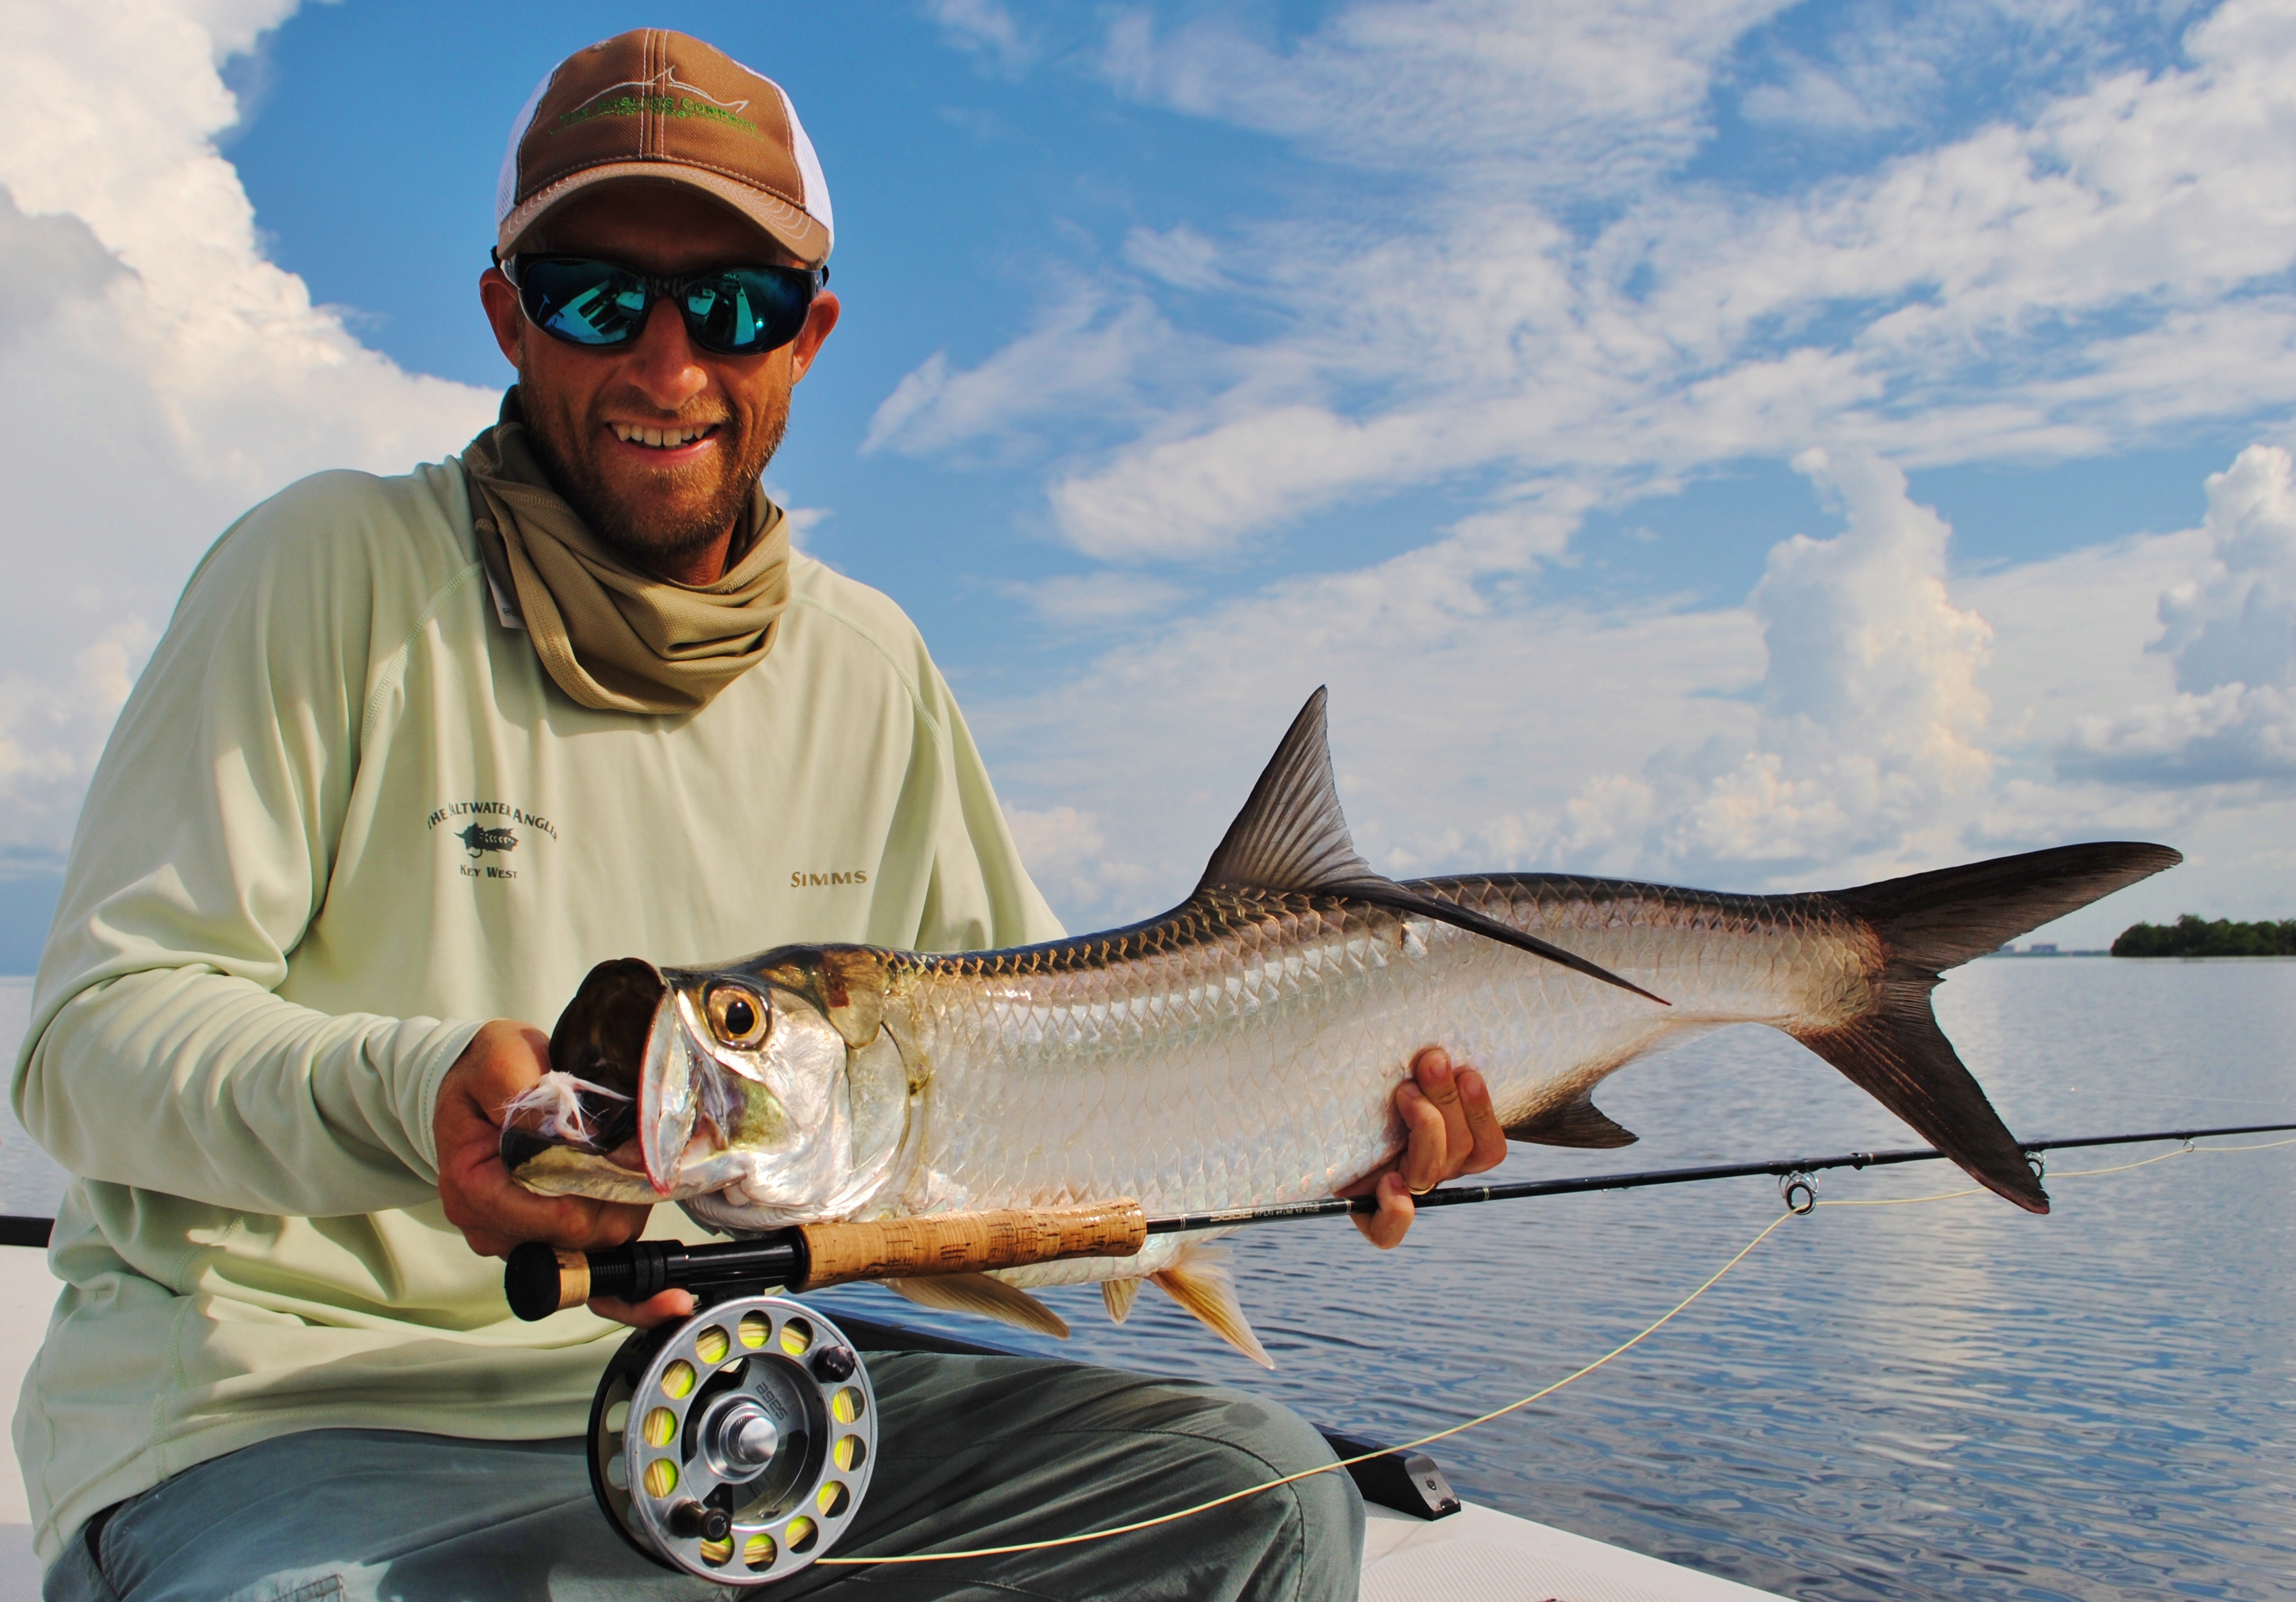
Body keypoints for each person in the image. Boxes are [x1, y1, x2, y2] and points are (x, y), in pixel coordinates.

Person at [12, 30, 1506, 1602]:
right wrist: (409, 1095)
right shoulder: (322, 568)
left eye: (734, 305)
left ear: (809, 337)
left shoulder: (874, 666)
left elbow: (1018, 1147)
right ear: (507, 316)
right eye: (599, 295)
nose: (669, 368)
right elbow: (91, 1044)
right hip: (297, 1417)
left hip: (752, 1407)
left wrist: (1316, 1121)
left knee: (1261, 1502)